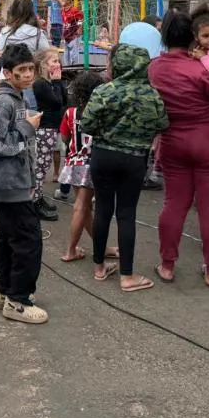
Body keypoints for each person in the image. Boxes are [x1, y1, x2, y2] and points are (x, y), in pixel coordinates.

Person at [148, 10, 209, 288]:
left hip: (174, 140)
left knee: (174, 204)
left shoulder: (155, 67)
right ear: (193, 36)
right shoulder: (204, 67)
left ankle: (167, 265)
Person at [82, 44, 169, 291]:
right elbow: (163, 124)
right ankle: (127, 276)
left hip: (103, 155)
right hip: (134, 159)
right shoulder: (152, 95)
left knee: (102, 210)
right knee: (126, 214)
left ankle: (99, 267)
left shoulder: (103, 91)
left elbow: (87, 124)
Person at [0, 43, 47, 324]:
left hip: (16, 181)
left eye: (30, 69)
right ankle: (18, 299)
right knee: (28, 241)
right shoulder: (5, 102)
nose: (28, 74)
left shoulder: (19, 98)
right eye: (21, 70)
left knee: (9, 239)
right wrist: (26, 129)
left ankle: (5, 290)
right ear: (7, 72)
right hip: (7, 184)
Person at [58, 71, 106, 264]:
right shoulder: (101, 112)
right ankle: (70, 250)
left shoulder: (70, 113)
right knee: (81, 208)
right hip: (91, 163)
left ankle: (99, 245)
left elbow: (63, 137)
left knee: (84, 208)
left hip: (73, 163)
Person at [32, 48, 68, 221]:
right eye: (54, 61)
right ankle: (34, 200)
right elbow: (56, 102)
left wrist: (58, 83)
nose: (57, 64)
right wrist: (56, 82)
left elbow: (64, 101)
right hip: (44, 129)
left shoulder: (50, 83)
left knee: (44, 165)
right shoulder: (40, 84)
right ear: (44, 65)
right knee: (40, 166)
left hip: (52, 128)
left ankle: (37, 197)